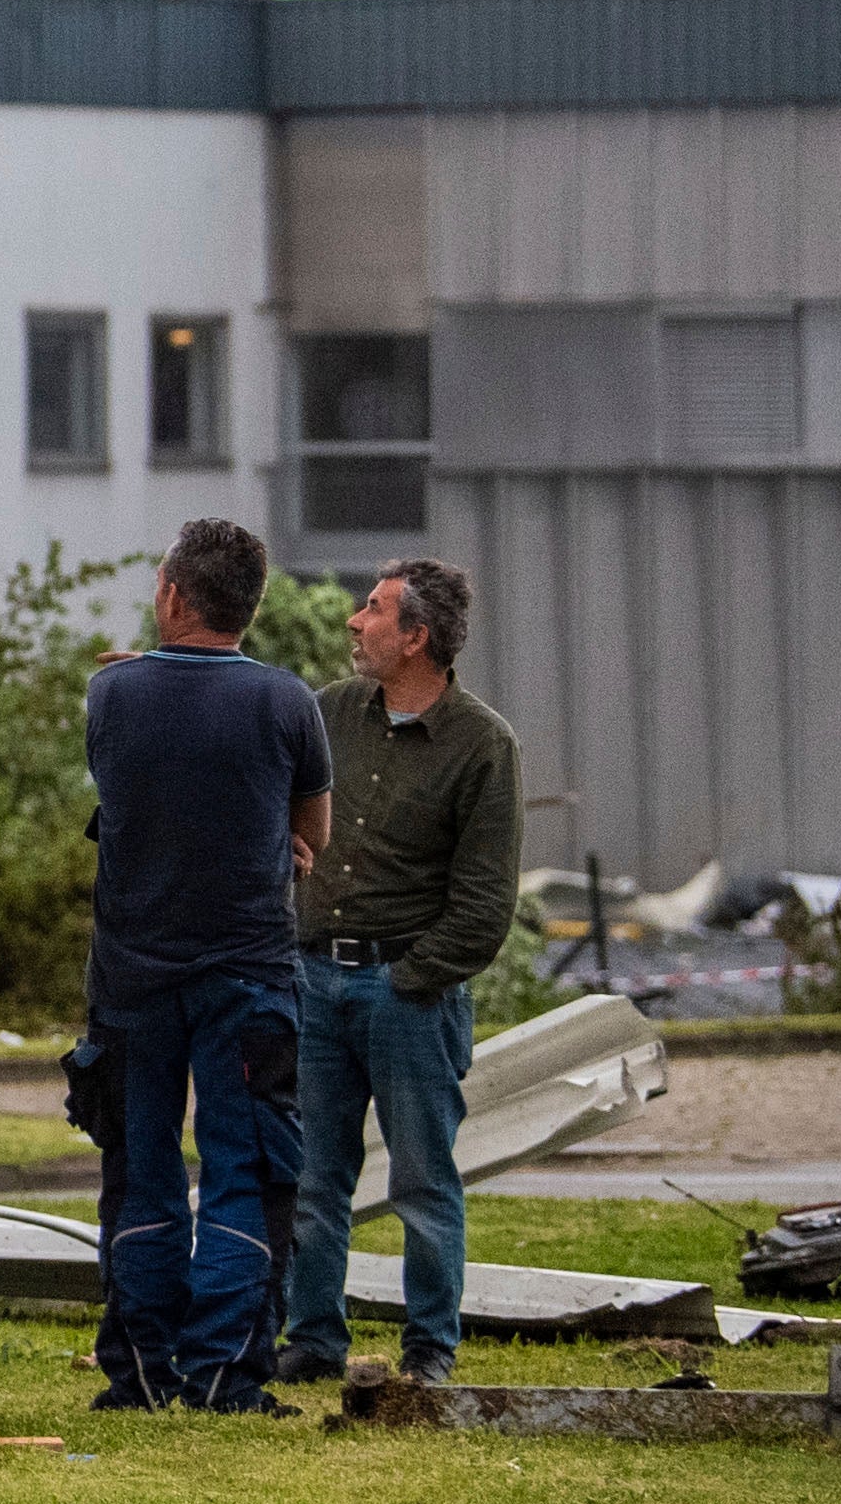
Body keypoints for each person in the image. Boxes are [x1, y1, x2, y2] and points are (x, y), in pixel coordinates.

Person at [81, 519, 331, 1411]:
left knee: (140, 1167)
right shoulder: (288, 703)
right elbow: (314, 834)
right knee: (246, 1168)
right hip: (250, 974)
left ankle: (141, 1373)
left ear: (175, 597)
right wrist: (277, 845)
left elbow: (121, 792)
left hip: (131, 980)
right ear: (250, 607)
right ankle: (226, 1373)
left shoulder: (111, 697)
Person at [276, 559, 521, 1386]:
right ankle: (312, 1340)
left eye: (373, 610)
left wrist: (410, 980)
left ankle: (429, 1353)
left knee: (423, 1180)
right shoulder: (330, 712)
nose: (353, 621)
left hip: (408, 996)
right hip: (314, 981)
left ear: (416, 637)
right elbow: (272, 802)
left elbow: (485, 904)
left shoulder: (483, 745)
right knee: (313, 1178)